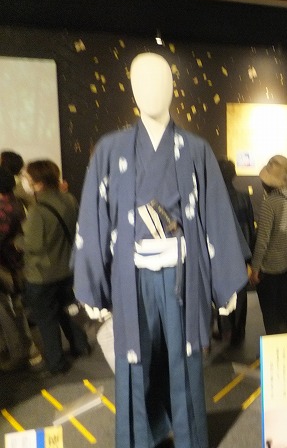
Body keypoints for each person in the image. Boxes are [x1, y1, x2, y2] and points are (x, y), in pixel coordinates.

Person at [73, 52, 248, 448]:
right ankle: (138, 438)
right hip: (130, 275)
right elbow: (94, 217)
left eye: (161, 81)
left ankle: (190, 439)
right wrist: (91, 283)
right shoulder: (111, 149)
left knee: (185, 359)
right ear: (132, 90)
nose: (152, 90)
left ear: (173, 88)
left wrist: (224, 282)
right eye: (142, 82)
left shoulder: (195, 149)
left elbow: (215, 214)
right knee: (133, 359)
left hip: (181, 273)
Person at [15, 160, 89, 375]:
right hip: (67, 268)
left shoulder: (38, 211)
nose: (24, 182)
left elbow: (33, 245)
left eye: (27, 179)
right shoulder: (69, 199)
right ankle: (81, 346)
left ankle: (56, 363)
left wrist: (17, 241)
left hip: (42, 275)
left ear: (38, 182)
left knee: (47, 320)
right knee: (70, 311)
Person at [250, 155, 287, 334]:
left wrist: (255, 268)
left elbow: (262, 240)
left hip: (269, 268)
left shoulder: (270, 203)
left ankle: (275, 344)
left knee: (272, 316)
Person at [0, 167, 42, 370]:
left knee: (7, 310)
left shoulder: (3, 209)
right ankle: (26, 349)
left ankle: (21, 351)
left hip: (5, 266)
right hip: (15, 263)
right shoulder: (16, 202)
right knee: (15, 307)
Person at [218, 159, 255, 345]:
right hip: (241, 250)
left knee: (221, 289)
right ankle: (239, 331)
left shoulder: (212, 198)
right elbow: (250, 226)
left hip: (220, 250)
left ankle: (226, 329)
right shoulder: (243, 197)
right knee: (240, 290)